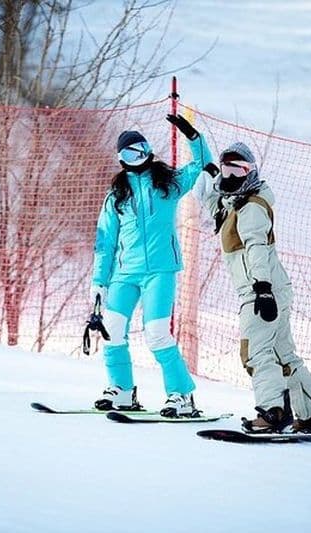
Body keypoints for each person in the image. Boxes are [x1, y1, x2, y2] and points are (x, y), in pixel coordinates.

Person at [194, 141, 311, 433]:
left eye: (238, 169)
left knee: (255, 353)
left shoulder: (252, 208)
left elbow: (256, 248)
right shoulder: (235, 203)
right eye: (225, 169)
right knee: (283, 354)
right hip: (274, 289)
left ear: (251, 171)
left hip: (261, 291)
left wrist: (262, 288)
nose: (230, 176)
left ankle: (273, 412)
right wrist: (199, 148)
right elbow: (215, 205)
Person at [90, 114, 213, 417]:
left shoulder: (168, 184)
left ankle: (181, 396)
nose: (135, 157)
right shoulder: (116, 194)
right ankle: (121, 391)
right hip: (124, 274)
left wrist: (192, 135)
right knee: (112, 329)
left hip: (160, 270)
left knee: (157, 332)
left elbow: (200, 164)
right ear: (121, 159)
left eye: (139, 149)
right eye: (128, 153)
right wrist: (99, 283)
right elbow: (105, 242)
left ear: (147, 150)